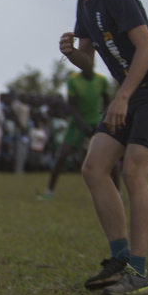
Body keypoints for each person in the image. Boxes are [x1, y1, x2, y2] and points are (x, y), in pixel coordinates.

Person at [38, 0, 148, 295]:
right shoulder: (83, 4)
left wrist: (122, 97)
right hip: (131, 92)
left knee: (133, 172)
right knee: (93, 167)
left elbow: (147, 50)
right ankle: (119, 258)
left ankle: (139, 272)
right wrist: (72, 53)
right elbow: (89, 63)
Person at [39, 68, 120, 199]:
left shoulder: (101, 80)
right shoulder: (73, 79)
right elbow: (71, 105)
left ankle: (118, 193)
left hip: (96, 122)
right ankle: (50, 192)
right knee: (62, 155)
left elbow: (106, 102)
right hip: (77, 123)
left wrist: (104, 120)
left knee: (110, 158)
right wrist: (82, 125)